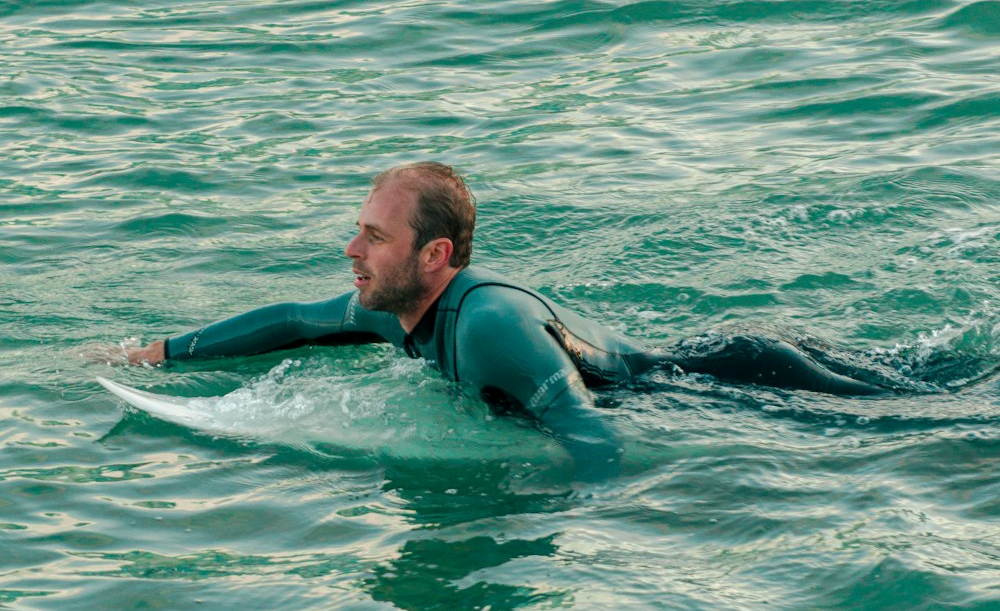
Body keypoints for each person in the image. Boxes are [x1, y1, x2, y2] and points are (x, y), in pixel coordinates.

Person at [107, 160, 940, 481]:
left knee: (923, 420)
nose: (349, 246)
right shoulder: (391, 311)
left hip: (734, 382)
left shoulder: (487, 326)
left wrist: (626, 531)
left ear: (435, 256)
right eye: (357, 226)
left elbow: (589, 430)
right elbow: (292, 318)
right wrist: (161, 352)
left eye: (373, 234)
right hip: (694, 373)